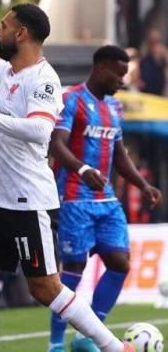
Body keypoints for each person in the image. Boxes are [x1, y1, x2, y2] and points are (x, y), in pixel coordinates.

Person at [0, 0, 134, 352]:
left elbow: (39, 132)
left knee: (45, 288)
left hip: (28, 201)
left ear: (21, 34)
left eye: (4, 26)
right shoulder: (7, 72)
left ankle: (114, 347)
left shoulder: (45, 81)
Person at [48, 45, 163, 352]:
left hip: (107, 201)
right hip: (75, 197)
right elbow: (56, 144)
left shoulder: (115, 107)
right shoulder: (70, 99)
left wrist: (142, 185)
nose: (121, 81)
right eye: (118, 73)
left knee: (120, 262)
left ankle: (90, 332)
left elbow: (119, 153)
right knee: (74, 267)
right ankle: (56, 344)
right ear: (100, 68)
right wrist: (82, 168)